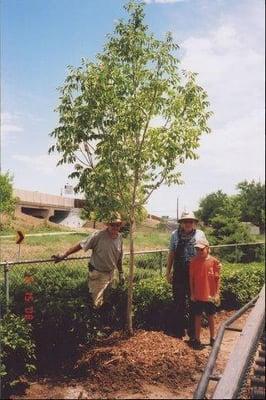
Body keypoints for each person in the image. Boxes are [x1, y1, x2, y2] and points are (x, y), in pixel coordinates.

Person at [52, 214, 124, 309]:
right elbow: (81, 245)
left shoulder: (120, 238)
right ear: (108, 225)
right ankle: (96, 321)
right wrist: (65, 254)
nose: (115, 227)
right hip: (98, 274)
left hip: (111, 273)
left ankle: (105, 321)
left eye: (117, 225)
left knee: (107, 301)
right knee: (97, 304)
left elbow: (119, 257)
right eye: (112, 224)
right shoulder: (98, 235)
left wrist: (121, 272)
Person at [166, 211, 207, 341]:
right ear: (181, 223)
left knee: (194, 303)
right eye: (185, 221)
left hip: (195, 275)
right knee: (178, 303)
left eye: (190, 221)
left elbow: (206, 252)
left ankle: (193, 333)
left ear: (194, 223)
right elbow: (171, 253)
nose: (188, 223)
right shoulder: (174, 235)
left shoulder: (200, 234)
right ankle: (178, 331)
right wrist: (168, 271)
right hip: (179, 273)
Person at [189, 239, 221, 350]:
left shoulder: (214, 262)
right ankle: (197, 339)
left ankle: (212, 337)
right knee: (197, 317)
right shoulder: (193, 261)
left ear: (208, 249)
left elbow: (217, 279)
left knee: (211, 317)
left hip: (210, 296)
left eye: (201, 249)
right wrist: (192, 293)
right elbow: (191, 279)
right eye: (197, 249)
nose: (199, 251)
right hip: (198, 295)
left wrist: (217, 294)